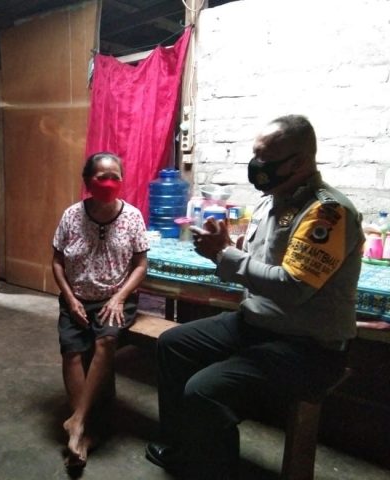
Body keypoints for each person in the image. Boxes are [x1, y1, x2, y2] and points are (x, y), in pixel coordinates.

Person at [145, 115, 364, 479]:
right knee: (173, 344)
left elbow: (293, 287)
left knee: (204, 391)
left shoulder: (327, 213)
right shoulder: (270, 201)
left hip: (309, 346)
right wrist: (222, 247)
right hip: (260, 324)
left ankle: (215, 471)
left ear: (298, 162)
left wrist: (224, 254)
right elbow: (255, 261)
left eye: (265, 158)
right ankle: (184, 447)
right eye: (256, 155)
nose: (256, 165)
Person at [52, 152, 149, 468]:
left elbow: (141, 264)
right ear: (87, 181)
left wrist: (119, 297)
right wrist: (70, 299)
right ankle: (83, 432)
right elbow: (56, 261)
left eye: (114, 177)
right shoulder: (71, 216)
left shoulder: (132, 217)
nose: (108, 183)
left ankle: (78, 421)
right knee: (72, 351)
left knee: (105, 341)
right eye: (101, 177)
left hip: (114, 298)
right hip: (77, 297)